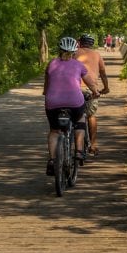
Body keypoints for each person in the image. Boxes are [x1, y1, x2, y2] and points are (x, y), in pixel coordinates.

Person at [43, 36, 96, 175]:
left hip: (52, 102)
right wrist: (96, 92)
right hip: (74, 101)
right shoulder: (78, 65)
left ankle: (52, 160)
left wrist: (46, 93)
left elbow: (46, 86)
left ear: (59, 50)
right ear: (74, 52)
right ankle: (79, 151)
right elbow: (90, 83)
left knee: (54, 131)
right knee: (80, 120)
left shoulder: (51, 64)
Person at [75, 33, 109, 156]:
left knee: (74, 114)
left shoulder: (75, 53)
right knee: (91, 115)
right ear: (92, 44)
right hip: (91, 90)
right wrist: (106, 88)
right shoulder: (97, 54)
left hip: (74, 89)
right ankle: (93, 145)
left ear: (80, 42)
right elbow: (103, 73)